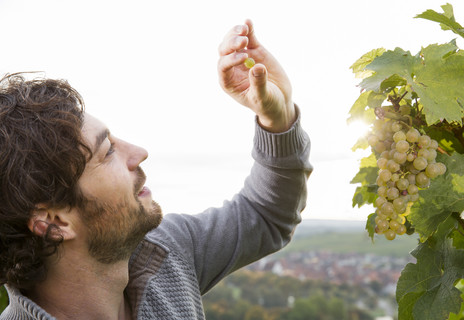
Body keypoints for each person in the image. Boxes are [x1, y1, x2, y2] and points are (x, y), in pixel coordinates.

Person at [0, 19, 312, 319]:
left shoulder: (166, 252)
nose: (139, 153)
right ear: (55, 222)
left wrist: (277, 117)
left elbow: (265, 215)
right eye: (107, 152)